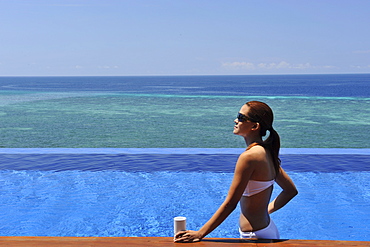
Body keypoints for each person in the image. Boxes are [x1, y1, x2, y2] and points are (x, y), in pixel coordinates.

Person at [174, 101, 297, 242]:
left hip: (255, 236)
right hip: (266, 229)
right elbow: (290, 191)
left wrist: (200, 233)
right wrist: (264, 211)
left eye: (241, 117)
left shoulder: (249, 157)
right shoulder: (266, 152)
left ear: (255, 126)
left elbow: (230, 203)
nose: (235, 120)